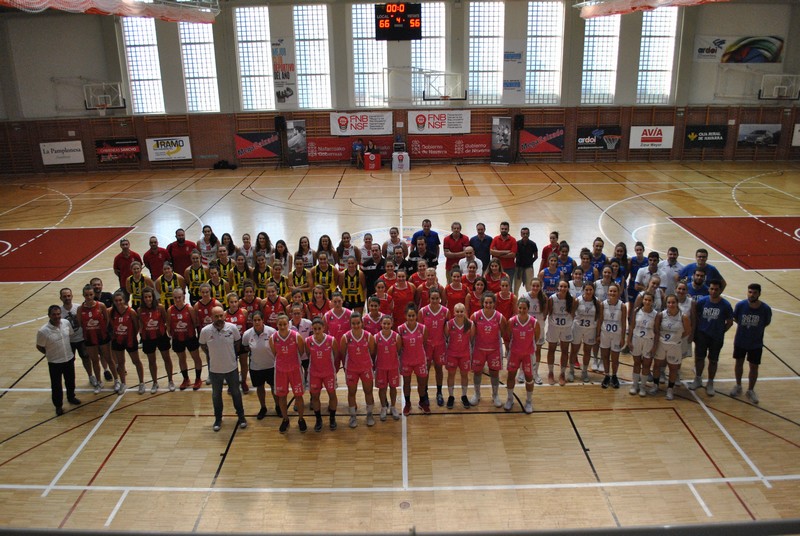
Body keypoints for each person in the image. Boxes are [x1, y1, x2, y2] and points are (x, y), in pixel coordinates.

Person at [199, 306, 246, 432]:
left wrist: (229, 356)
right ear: (211, 317)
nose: (219, 319)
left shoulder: (232, 328)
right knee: (216, 395)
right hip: (215, 370)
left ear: (224, 316)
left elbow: (237, 343)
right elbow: (203, 346)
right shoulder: (205, 331)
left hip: (232, 368)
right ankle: (218, 419)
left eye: (221, 316)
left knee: (236, 393)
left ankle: (241, 417)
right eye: (216, 316)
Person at [688, 280, 733, 397]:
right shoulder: (702, 302)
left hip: (716, 337)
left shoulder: (726, 305)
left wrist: (721, 331)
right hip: (702, 335)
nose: (713, 291)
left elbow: (729, 322)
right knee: (699, 358)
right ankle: (698, 378)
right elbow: (695, 316)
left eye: (716, 289)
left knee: (713, 360)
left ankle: (710, 382)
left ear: (720, 290)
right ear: (709, 289)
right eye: (711, 289)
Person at [729, 283, 771, 404]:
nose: (751, 295)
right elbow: (736, 318)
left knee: (754, 366)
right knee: (739, 363)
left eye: (754, 293)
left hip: (756, 343)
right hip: (741, 340)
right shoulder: (740, 305)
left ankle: (751, 390)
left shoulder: (765, 309)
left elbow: (766, 322)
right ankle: (738, 385)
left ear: (759, 294)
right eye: (750, 292)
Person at [37, 305, 81, 416]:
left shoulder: (66, 323)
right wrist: (49, 354)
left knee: (70, 380)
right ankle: (58, 406)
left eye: (58, 314)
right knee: (56, 385)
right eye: (54, 314)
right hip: (54, 362)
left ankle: (71, 397)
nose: (56, 316)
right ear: (49, 316)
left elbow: (70, 335)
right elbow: (39, 346)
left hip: (69, 358)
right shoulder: (43, 331)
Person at [269, 314, 307, 433]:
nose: (282, 326)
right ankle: (285, 419)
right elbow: (275, 353)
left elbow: (301, 351)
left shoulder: (296, 336)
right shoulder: (273, 338)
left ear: (288, 324)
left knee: (298, 395)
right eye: (280, 324)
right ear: (277, 325)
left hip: (295, 369)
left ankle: (301, 419)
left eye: (285, 324)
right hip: (280, 370)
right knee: (282, 396)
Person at [469, 291, 507, 407]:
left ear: (494, 303)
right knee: (477, 372)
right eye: (486, 302)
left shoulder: (500, 317)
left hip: (494, 349)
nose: (488, 305)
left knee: (494, 373)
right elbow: (471, 334)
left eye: (490, 302)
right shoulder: (475, 316)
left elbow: (504, 332)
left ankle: (495, 395)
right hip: (479, 349)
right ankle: (477, 394)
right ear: (482, 303)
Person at [80, 284, 119, 394]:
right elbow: (80, 323)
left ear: (93, 295)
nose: (89, 297)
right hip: (89, 338)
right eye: (86, 295)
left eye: (91, 294)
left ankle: (116, 380)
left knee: (109, 358)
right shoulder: (80, 309)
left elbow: (107, 320)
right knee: (95, 361)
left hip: (102, 337)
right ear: (83, 295)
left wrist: (100, 330)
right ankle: (98, 382)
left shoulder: (101, 305)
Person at [504, 297, 540, 414]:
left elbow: (536, 337)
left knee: (529, 378)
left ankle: (529, 401)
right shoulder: (512, 321)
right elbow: (508, 337)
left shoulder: (534, 322)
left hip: (528, 355)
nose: (522, 310)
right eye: (520, 308)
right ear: (517, 308)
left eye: (524, 308)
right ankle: (510, 399)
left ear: (528, 309)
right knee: (511, 376)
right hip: (514, 353)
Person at [651, 294, 691, 400]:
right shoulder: (661, 315)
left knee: (673, 368)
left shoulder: (683, 317)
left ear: (677, 303)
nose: (671, 304)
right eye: (669, 302)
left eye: (673, 302)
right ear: (666, 303)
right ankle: (655, 385)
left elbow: (687, 331)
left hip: (675, 345)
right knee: (657, 365)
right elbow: (656, 329)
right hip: (661, 344)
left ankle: (670, 390)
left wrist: (676, 338)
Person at [342, 314, 377, 428]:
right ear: (350, 324)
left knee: (368, 391)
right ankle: (353, 416)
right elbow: (343, 352)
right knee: (352, 393)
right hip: (351, 369)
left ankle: (370, 414)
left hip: (366, 368)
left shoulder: (368, 336)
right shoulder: (346, 337)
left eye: (358, 323)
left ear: (362, 323)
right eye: (353, 323)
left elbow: (372, 351)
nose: (356, 326)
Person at [242, 311, 277, 420]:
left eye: (259, 320)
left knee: (274, 388)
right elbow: (246, 347)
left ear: (263, 320)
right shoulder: (247, 334)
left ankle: (278, 406)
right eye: (254, 320)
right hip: (256, 367)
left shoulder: (271, 332)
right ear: (252, 321)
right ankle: (263, 407)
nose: (257, 322)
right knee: (260, 388)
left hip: (271, 365)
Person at [138, 287, 174, 393]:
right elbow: (140, 323)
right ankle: (155, 382)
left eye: (149, 296)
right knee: (151, 361)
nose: (148, 299)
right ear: (143, 299)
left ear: (153, 297)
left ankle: (170, 380)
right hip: (148, 338)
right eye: (145, 297)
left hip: (161, 336)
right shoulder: (140, 310)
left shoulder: (160, 307)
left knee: (166, 358)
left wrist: (168, 333)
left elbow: (166, 320)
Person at [306, 317, 339, 431]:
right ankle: (318, 419)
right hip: (314, 373)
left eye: (319, 328)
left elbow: (336, 354)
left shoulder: (331, 340)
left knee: (332, 394)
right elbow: (307, 354)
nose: (317, 331)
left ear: (324, 328)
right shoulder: (308, 341)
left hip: (328, 372)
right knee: (315, 396)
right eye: (315, 329)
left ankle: (332, 418)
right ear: (312, 329)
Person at [168, 288, 203, 390]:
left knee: (196, 357)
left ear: (183, 297)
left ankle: (198, 378)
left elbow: (195, 323)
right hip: (177, 338)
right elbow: (169, 326)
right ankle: (186, 379)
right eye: (175, 298)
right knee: (181, 359)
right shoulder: (170, 310)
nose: (178, 300)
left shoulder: (189, 309)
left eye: (179, 297)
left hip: (190, 337)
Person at [109, 290, 144, 394]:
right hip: (117, 340)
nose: (118, 302)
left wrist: (131, 336)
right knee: (120, 363)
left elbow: (137, 326)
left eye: (120, 300)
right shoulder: (111, 312)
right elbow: (111, 324)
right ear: (113, 301)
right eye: (116, 300)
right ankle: (123, 383)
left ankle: (141, 382)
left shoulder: (131, 312)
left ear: (124, 300)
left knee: (136, 361)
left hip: (130, 340)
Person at [59, 288, 94, 387]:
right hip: (68, 341)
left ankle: (91, 376)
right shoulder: (59, 311)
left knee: (86, 358)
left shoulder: (79, 307)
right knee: (69, 362)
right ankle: (71, 382)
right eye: (64, 296)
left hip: (81, 339)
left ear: (72, 296)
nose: (67, 298)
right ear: (61, 298)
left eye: (69, 296)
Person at [398, 304, 429, 415]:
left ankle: (422, 402)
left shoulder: (422, 328)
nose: (411, 318)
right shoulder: (400, 329)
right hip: (406, 360)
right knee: (407, 383)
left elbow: (424, 343)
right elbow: (399, 346)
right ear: (406, 316)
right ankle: (408, 403)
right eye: (409, 315)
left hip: (420, 359)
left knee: (422, 383)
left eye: (413, 315)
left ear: (416, 316)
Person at [420, 288, 449, 407]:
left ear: (440, 299)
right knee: (425, 370)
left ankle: (439, 392)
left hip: (440, 344)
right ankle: (424, 393)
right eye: (433, 298)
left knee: (439, 369)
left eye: (437, 298)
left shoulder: (445, 311)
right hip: (427, 345)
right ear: (429, 299)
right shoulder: (422, 311)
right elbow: (419, 329)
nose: (435, 300)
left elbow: (447, 329)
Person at [626, 292, 657, 396]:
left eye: (649, 300)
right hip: (637, 339)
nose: (647, 302)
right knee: (636, 363)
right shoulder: (636, 311)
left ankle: (643, 387)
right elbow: (631, 327)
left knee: (646, 364)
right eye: (645, 300)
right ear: (643, 300)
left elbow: (657, 331)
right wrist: (629, 340)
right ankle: (635, 385)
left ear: (653, 302)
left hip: (649, 340)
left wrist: (655, 346)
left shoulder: (656, 314)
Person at [597, 283, 627, 389]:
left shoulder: (622, 306)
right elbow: (600, 320)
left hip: (616, 335)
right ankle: (606, 375)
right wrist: (598, 335)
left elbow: (623, 323)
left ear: (618, 293)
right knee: (605, 356)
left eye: (615, 291)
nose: (612, 293)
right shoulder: (603, 304)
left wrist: (623, 338)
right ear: (608, 292)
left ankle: (614, 375)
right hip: (605, 334)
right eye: (611, 291)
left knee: (615, 358)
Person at [546, 281, 574, 386]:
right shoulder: (552, 299)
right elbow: (548, 312)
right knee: (551, 349)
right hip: (554, 327)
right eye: (561, 286)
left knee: (565, 351)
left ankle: (562, 373)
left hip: (566, 328)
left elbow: (573, 313)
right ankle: (550, 372)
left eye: (565, 286)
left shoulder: (572, 300)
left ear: (568, 288)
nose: (563, 288)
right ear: (558, 287)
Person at [444, 303, 472, 409]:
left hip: (464, 354)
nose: (459, 313)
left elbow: (472, 338)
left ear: (465, 312)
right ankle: (451, 396)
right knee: (451, 375)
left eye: (462, 311)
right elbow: (446, 337)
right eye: (457, 311)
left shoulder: (470, 324)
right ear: (454, 312)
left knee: (464, 375)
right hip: (452, 354)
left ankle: (464, 396)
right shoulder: (449, 324)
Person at [572, 283, 599, 383]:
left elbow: (598, 316)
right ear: (583, 290)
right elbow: (572, 313)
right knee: (574, 350)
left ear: (593, 290)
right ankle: (571, 371)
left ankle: (584, 371)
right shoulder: (577, 300)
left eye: (590, 290)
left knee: (587, 351)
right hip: (578, 327)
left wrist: (597, 331)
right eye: (586, 289)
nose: (588, 292)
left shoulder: (597, 302)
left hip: (590, 329)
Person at [224, 293, 250, 394]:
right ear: (228, 303)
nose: (234, 304)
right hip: (230, 343)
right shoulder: (225, 315)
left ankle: (243, 381)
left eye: (235, 302)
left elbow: (247, 327)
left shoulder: (244, 312)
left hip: (242, 341)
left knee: (244, 363)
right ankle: (232, 384)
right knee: (232, 365)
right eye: (231, 302)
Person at [514, 227, 538, 294]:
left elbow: (536, 256)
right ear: (521, 234)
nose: (525, 235)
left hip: (528, 268)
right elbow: (514, 254)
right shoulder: (517, 244)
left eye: (527, 233)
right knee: (515, 288)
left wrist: (530, 262)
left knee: (529, 288)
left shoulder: (533, 244)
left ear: (529, 234)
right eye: (523, 233)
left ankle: (529, 303)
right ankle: (515, 304)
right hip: (518, 268)